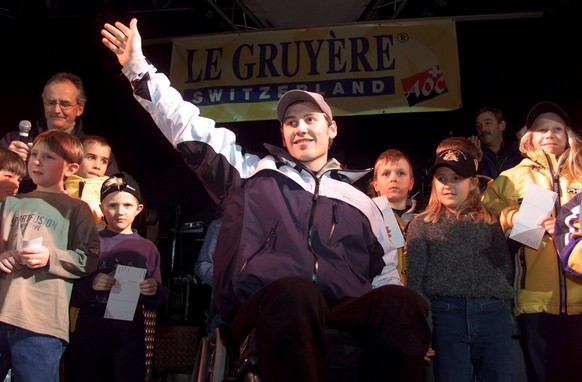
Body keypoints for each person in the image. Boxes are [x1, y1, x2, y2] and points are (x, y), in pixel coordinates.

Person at [101, 18, 430, 382]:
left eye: (310, 119)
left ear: (331, 128)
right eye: (291, 122)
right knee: (297, 293)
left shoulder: (364, 202)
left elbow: (384, 275)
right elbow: (185, 126)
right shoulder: (249, 175)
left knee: (405, 304)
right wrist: (137, 68)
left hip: (342, 310)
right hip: (270, 305)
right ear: (283, 133)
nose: (301, 127)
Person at [482, 101, 582, 382]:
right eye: (541, 129)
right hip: (535, 301)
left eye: (557, 129)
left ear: (568, 135)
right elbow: (483, 213)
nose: (550, 134)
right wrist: (512, 217)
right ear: (530, 137)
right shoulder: (511, 178)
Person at [406, 146, 514, 382]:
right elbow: (416, 283)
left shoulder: (489, 221)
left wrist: (508, 317)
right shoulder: (421, 225)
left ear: (473, 184)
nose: (448, 184)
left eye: (457, 178)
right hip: (447, 317)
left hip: (492, 315)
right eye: (441, 178)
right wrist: (425, 330)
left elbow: (505, 270)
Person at [0, 130, 100, 382]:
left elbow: (88, 257)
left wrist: (50, 257)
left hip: (41, 323)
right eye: (34, 155)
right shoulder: (10, 204)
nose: (36, 161)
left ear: (71, 167)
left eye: (48, 157)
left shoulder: (77, 209)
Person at [65, 172, 168, 382]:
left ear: (139, 209)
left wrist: (153, 290)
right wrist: (91, 284)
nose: (120, 212)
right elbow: (70, 291)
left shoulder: (147, 248)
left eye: (127, 206)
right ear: (102, 207)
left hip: (128, 335)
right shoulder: (90, 242)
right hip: (90, 333)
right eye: (112, 205)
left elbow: (158, 299)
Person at [0, 72, 120, 193]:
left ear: (80, 109)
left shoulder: (93, 149)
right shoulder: (15, 140)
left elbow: (115, 191)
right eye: (51, 103)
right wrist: (8, 161)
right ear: (44, 104)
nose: (57, 110)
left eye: (65, 104)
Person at [368, 149, 416, 283]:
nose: (393, 179)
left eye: (401, 173)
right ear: (375, 184)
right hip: (381, 291)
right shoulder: (366, 221)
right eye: (386, 174)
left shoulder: (422, 221)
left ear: (411, 182)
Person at [64, 135, 113, 230]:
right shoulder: (62, 182)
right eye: (91, 158)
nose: (97, 166)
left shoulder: (110, 187)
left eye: (104, 161)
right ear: (75, 158)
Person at [469, 107, 522, 181]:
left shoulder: (518, 150)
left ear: (502, 125)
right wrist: (478, 162)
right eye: (479, 126)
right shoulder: (476, 156)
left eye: (487, 123)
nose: (483, 129)